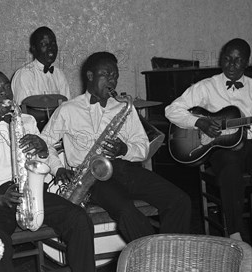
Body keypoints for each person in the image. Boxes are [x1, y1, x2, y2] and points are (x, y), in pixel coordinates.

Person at [0, 70, 96, 272]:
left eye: (5, 86)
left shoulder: (27, 121)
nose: (3, 92)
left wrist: (42, 151)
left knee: (79, 219)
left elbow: (46, 163)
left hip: (32, 190)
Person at [41, 51, 192, 243]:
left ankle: (173, 255)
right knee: (127, 212)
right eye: (107, 74)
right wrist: (58, 167)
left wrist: (124, 150)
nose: (112, 80)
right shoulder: (68, 109)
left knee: (180, 200)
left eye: (115, 75)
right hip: (91, 177)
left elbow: (143, 147)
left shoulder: (123, 107)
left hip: (123, 169)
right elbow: (44, 141)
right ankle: (153, 258)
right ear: (90, 76)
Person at [165, 38, 252, 241]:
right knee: (230, 170)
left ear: (247, 63)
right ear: (220, 59)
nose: (231, 65)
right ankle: (236, 234)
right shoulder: (206, 87)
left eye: (238, 60)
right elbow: (172, 110)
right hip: (222, 148)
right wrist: (199, 123)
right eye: (227, 59)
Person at [11, 26, 71, 106]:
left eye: (53, 44)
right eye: (44, 44)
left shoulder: (59, 75)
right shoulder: (25, 75)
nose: (50, 48)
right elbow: (24, 113)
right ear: (33, 49)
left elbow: (67, 108)